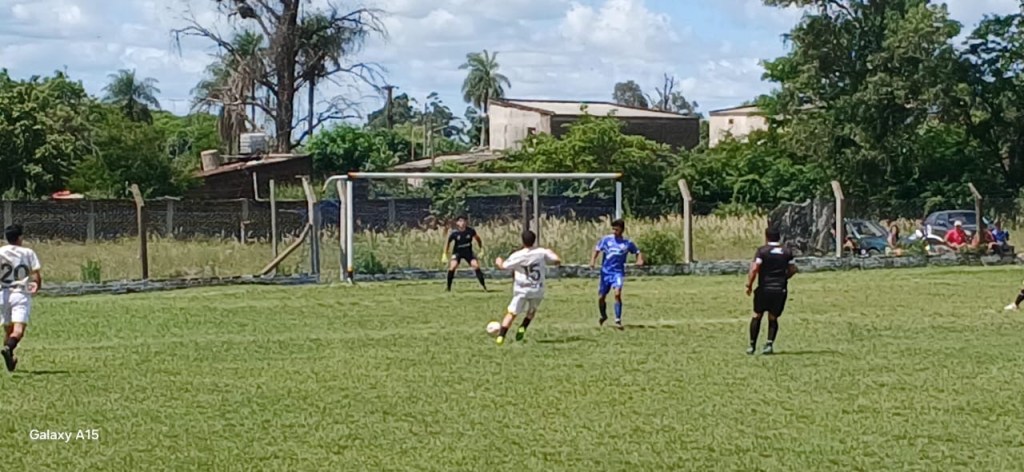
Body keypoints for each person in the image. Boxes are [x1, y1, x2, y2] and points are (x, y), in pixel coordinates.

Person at [493, 230, 561, 345]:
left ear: (523, 241)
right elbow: (557, 260)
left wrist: (499, 261)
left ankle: (501, 336)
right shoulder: (541, 252)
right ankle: (523, 327)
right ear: (534, 240)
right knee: (531, 311)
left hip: (522, 290)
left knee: (512, 313)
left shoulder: (517, 255)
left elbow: (504, 266)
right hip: (537, 288)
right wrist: (550, 252)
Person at [745, 226, 797, 355]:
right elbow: (793, 269)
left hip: (764, 288)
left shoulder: (762, 251)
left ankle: (752, 345)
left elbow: (755, 268)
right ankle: (769, 344)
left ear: (766, 236)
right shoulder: (787, 251)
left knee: (757, 315)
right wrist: (783, 278)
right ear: (779, 237)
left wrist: (749, 285)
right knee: (773, 317)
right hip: (779, 289)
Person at [0, 225, 42, 372]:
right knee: (18, 330)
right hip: (20, 293)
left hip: (3, 294)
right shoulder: (27, 252)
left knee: (8, 330)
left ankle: (10, 359)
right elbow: (36, 275)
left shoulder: (1, 252)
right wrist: (36, 286)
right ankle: (8, 348)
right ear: (19, 238)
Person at [589, 219, 644, 329]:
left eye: (616, 229)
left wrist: (639, 260)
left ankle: (618, 320)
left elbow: (637, 252)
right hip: (605, 272)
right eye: (613, 229)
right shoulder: (606, 240)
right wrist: (592, 261)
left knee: (617, 294)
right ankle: (603, 316)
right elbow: (597, 249)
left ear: (622, 230)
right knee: (601, 297)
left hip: (617, 272)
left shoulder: (627, 243)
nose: (614, 231)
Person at [443, 216, 487, 292]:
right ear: (457, 223)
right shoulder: (454, 233)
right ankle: (448, 287)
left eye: (464, 221)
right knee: (452, 267)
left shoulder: (471, 231)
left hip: (468, 252)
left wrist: (481, 249)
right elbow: (447, 243)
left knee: (476, 265)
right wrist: (444, 254)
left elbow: (478, 239)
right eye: (460, 221)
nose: (462, 223)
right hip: (457, 252)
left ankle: (484, 286)